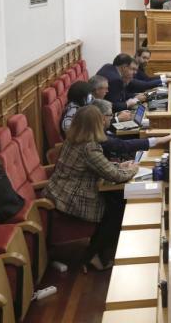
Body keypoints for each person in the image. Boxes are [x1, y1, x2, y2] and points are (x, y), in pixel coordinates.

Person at [44, 106, 138, 271]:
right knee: (116, 211)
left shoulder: (73, 139)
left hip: (59, 193)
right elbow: (116, 176)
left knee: (115, 203)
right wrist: (133, 169)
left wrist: (118, 165)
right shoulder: (89, 147)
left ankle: (100, 251)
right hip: (73, 199)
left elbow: (100, 167)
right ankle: (92, 255)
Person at [91, 99, 171, 160]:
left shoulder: (94, 129)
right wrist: (160, 140)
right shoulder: (97, 137)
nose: (111, 118)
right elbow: (123, 145)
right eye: (110, 115)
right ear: (102, 118)